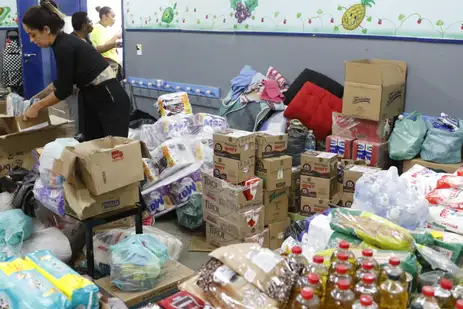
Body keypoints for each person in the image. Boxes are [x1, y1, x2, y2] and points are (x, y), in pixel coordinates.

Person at [22, 0, 131, 141]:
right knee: (93, 147)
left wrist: (37, 106)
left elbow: (64, 90)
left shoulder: (64, 46)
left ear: (46, 30)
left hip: (108, 97)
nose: (31, 40)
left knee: (113, 152)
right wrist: (36, 98)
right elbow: (62, 81)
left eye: (33, 34)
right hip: (93, 96)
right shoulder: (61, 43)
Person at [90, 6, 123, 81]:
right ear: (104, 16)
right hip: (107, 64)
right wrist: (116, 36)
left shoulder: (104, 29)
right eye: (113, 16)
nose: (114, 19)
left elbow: (108, 43)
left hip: (112, 64)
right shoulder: (97, 28)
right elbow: (102, 47)